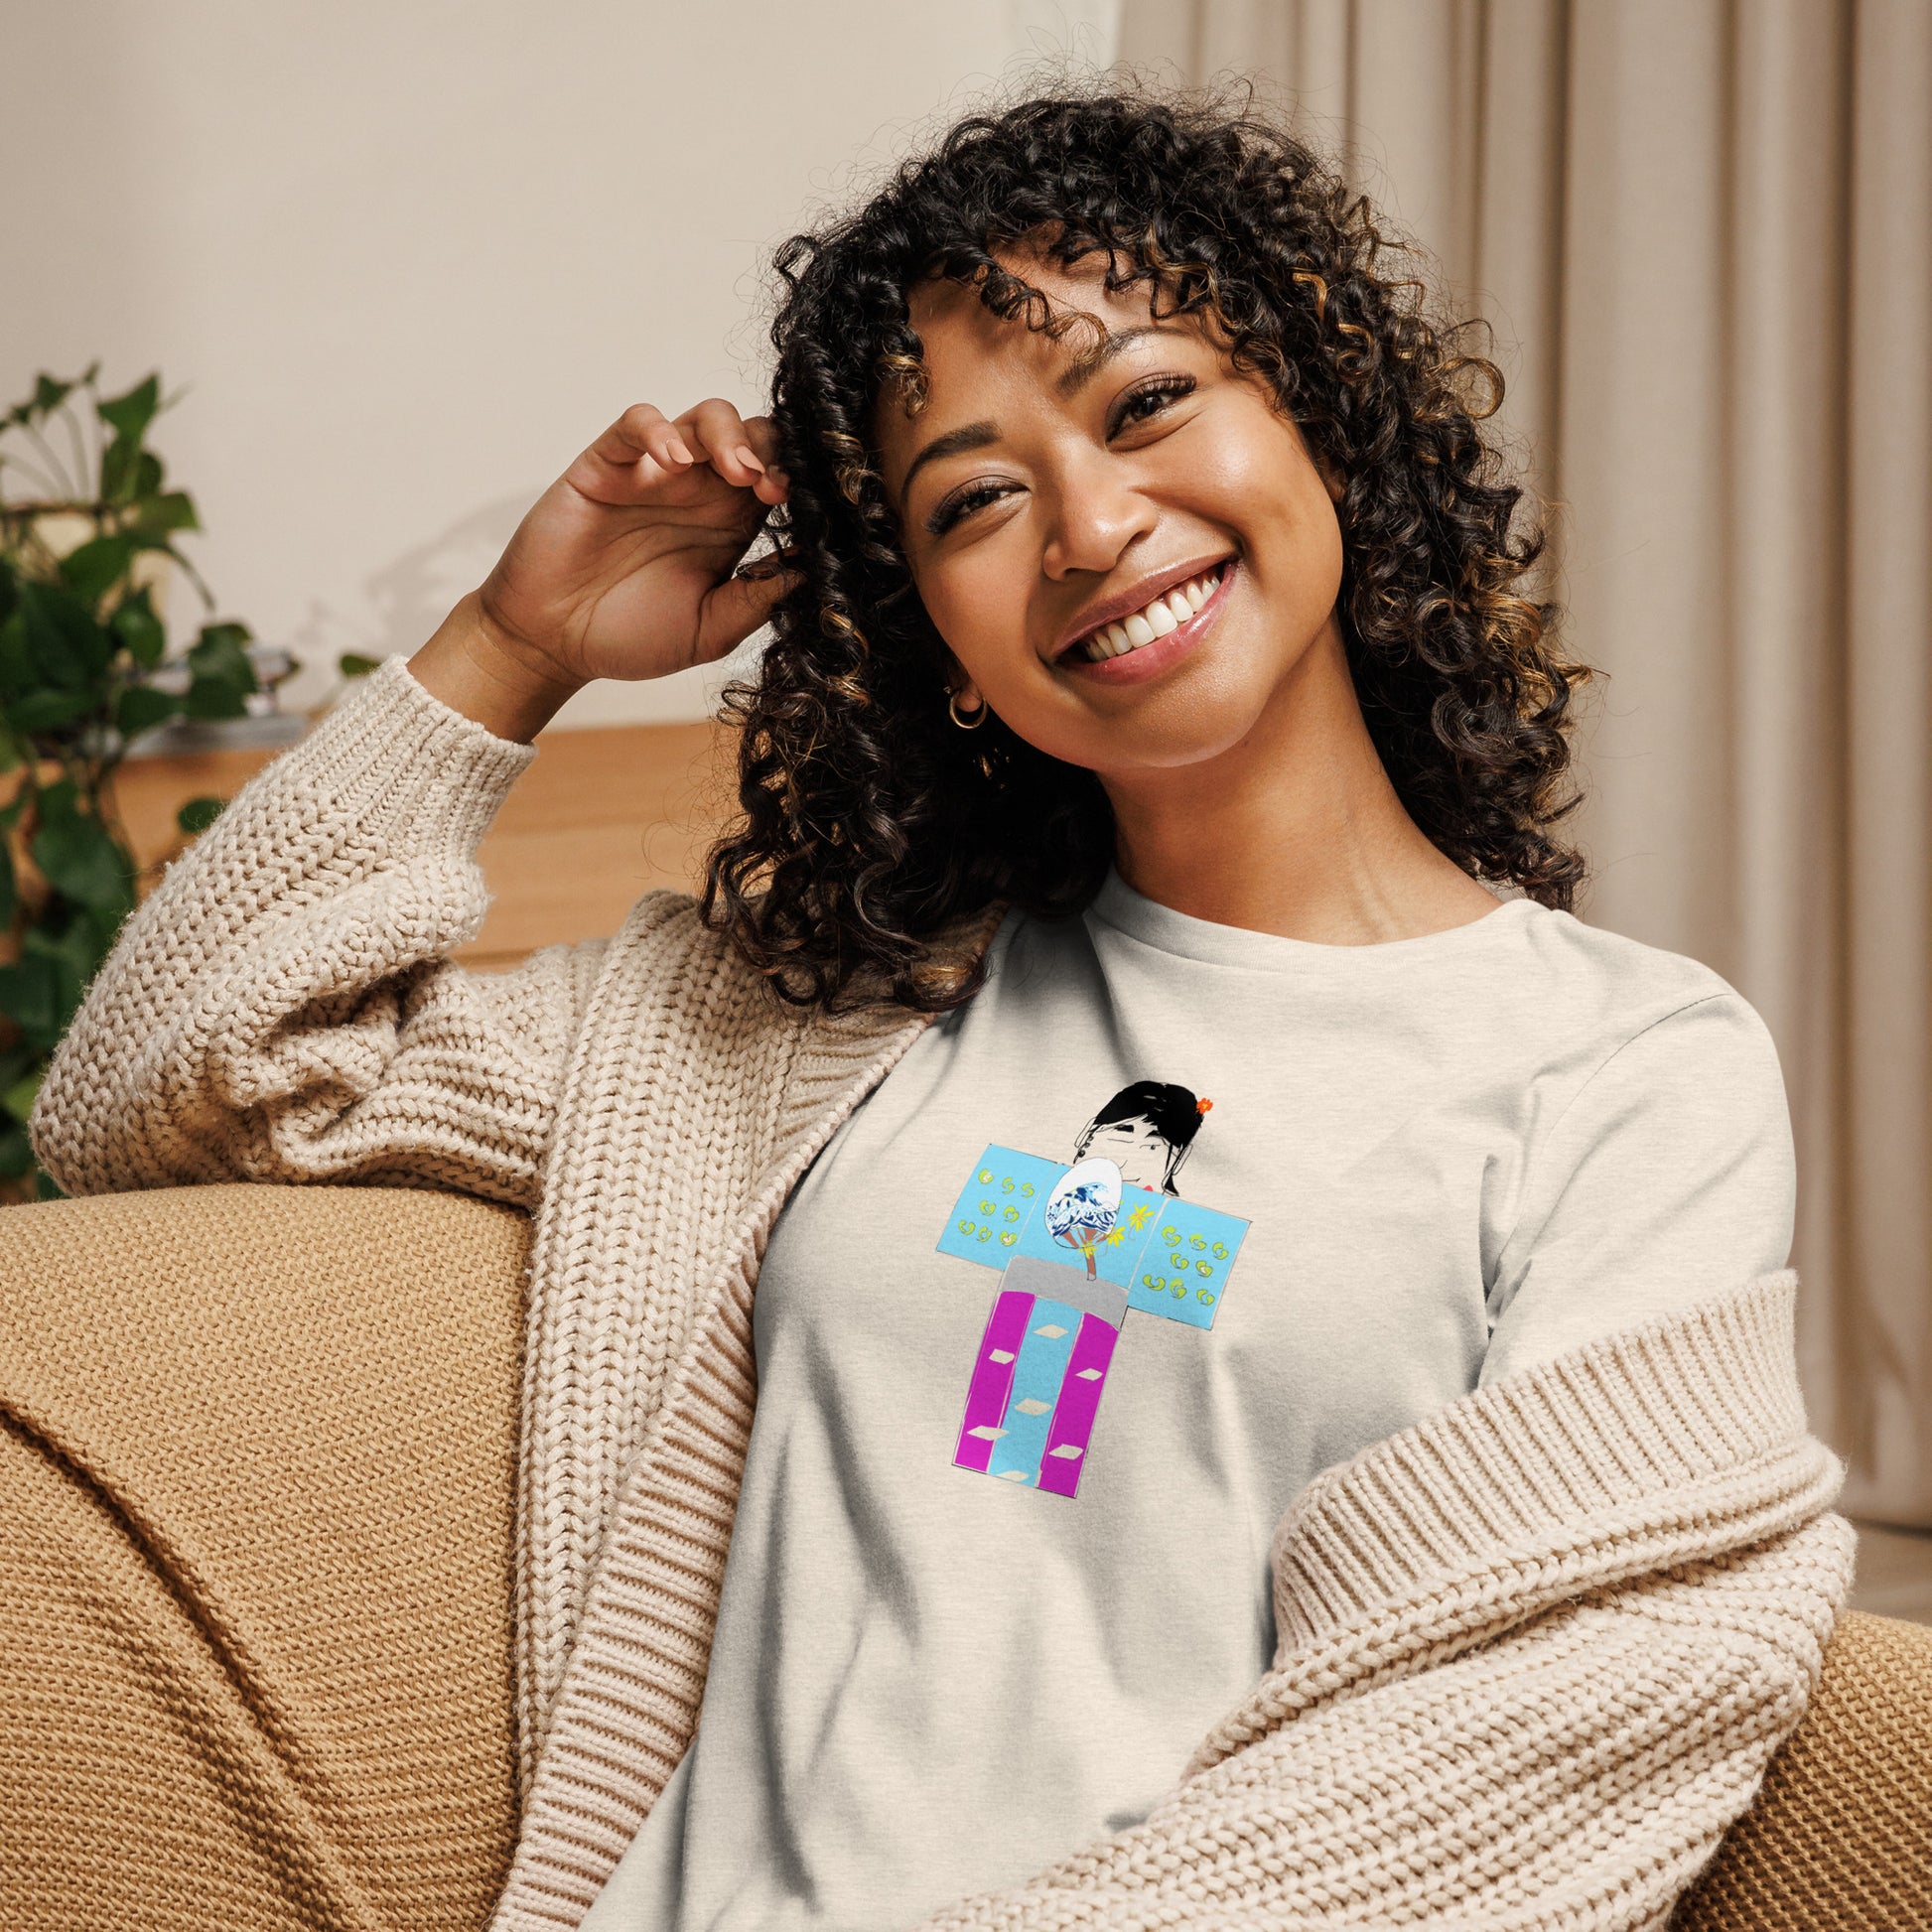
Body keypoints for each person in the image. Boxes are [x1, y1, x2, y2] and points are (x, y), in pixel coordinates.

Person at [23, 85, 1849, 1932]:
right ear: (936, 637)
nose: (1085, 522)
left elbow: (1537, 1721)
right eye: (974, 496)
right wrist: (510, 647)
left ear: (1320, 421)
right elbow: (173, 1088)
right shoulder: (810, 1021)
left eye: (1145, 403)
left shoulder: (1620, 1070)